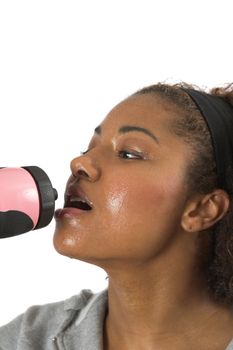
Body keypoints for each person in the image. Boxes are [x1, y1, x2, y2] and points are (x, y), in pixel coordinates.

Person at [1, 82, 233, 350]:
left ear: (203, 209)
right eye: (87, 150)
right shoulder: (26, 340)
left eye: (128, 154)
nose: (79, 164)